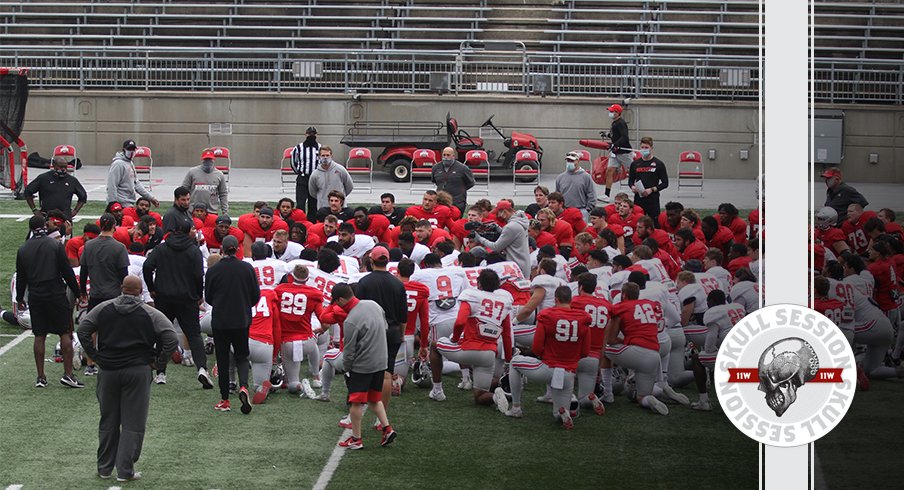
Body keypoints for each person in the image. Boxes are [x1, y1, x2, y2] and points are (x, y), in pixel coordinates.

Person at [77, 276, 179, 482]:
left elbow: (83, 329)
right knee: (133, 422)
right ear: (140, 291)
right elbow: (171, 338)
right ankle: (125, 470)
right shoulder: (150, 313)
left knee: (108, 420)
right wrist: (159, 363)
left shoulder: (104, 308)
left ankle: (104, 468)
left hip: (108, 370)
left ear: (121, 289)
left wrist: (95, 356)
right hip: (137, 370)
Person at [504, 286, 590, 429]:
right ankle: (565, 412)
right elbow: (585, 351)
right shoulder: (583, 318)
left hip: (549, 368)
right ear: (571, 300)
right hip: (568, 373)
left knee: (514, 362)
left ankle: (516, 408)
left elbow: (537, 348)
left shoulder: (547, 314)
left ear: (556, 299)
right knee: (557, 415)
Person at [142, 218, 213, 388]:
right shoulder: (193, 250)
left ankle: (160, 373)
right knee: (194, 334)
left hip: (164, 296)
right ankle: (202, 369)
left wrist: (152, 288)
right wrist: (197, 294)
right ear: (189, 231)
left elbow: (147, 267)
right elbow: (198, 275)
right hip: (186, 298)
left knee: (161, 333)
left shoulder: (162, 248)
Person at [16, 214, 83, 388]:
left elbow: (21, 278)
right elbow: (67, 272)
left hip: (36, 295)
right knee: (65, 333)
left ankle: (41, 377)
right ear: (44, 226)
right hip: (55, 293)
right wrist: (78, 292)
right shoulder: (55, 245)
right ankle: (68, 374)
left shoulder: (23, 249)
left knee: (39, 335)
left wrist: (19, 298)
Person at [332, 283, 397, 449]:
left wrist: (346, 368)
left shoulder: (351, 320)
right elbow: (385, 327)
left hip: (363, 366)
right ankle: (387, 429)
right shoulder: (373, 305)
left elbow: (349, 350)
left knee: (356, 402)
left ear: (340, 299)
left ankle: (356, 439)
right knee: (375, 398)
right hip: (381, 361)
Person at [204, 235, 261, 414]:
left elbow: (208, 297)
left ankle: (225, 399)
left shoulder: (213, 270)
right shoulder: (246, 268)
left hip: (221, 320)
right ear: (237, 249)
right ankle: (244, 385)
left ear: (222, 249)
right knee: (242, 355)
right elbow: (255, 295)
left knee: (222, 358)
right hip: (241, 319)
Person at [353, 246, 408, 410]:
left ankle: (358, 405)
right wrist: (402, 334)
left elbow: (358, 310)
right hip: (391, 331)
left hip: (370, 332)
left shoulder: (364, 282)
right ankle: (381, 415)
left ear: (371, 261)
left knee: (362, 371)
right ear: (388, 261)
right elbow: (403, 315)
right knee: (386, 373)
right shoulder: (397, 284)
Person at [470, 200, 531, 279]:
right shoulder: (520, 222)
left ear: (504, 212)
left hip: (515, 267)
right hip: (522, 263)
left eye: (498, 213)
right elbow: (512, 237)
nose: (498, 216)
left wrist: (479, 238)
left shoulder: (511, 226)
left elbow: (496, 247)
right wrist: (499, 229)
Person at [24, 156, 87, 221]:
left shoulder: (72, 180)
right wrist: (34, 210)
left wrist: (75, 211)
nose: (63, 169)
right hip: (47, 217)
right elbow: (28, 192)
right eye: (60, 166)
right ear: (54, 165)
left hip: (65, 217)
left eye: (65, 167)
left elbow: (83, 196)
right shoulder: (43, 178)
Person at [106, 139, 159, 207]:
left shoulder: (130, 163)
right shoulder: (118, 164)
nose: (131, 151)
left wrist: (151, 198)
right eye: (129, 149)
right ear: (124, 150)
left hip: (129, 202)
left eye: (133, 149)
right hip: (120, 204)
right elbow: (112, 185)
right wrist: (113, 204)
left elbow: (136, 184)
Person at [627, 136, 669, 219]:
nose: (644, 149)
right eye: (642, 147)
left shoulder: (658, 164)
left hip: (652, 199)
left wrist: (652, 189)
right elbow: (630, 181)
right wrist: (632, 187)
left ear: (651, 148)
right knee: (638, 220)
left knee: (654, 222)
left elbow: (665, 183)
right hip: (639, 198)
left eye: (646, 147)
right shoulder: (635, 164)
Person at [601, 103, 633, 202]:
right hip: (615, 153)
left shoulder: (621, 123)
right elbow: (615, 135)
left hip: (624, 153)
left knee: (634, 170)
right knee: (609, 171)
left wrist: (615, 144)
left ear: (618, 113)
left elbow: (624, 137)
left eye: (612, 111)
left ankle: (640, 189)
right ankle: (606, 195)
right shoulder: (614, 123)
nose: (610, 113)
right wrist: (607, 135)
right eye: (610, 111)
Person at [183, 149, 229, 215]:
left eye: (210, 159)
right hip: (194, 211)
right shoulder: (192, 172)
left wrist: (225, 211)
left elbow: (223, 194)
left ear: (213, 160)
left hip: (212, 212)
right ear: (202, 160)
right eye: (206, 159)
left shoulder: (219, 174)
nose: (208, 162)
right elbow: (183, 190)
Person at [308, 146, 353, 211]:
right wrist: (321, 198)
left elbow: (349, 186)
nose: (325, 158)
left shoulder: (340, 170)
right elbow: (312, 191)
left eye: (327, 155)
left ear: (331, 156)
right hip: (323, 207)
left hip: (340, 208)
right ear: (319, 157)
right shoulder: (315, 174)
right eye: (323, 155)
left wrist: (340, 197)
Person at [432, 146, 475, 214]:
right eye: (444, 155)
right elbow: (436, 181)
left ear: (453, 156)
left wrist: (459, 190)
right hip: (440, 203)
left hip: (457, 202)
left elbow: (471, 183)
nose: (446, 157)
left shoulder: (463, 168)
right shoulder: (436, 167)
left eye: (448, 155)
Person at [555, 151, 596, 220]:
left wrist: (588, 209)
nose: (569, 162)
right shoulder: (560, 177)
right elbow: (557, 196)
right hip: (565, 211)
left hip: (581, 210)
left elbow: (591, 194)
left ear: (578, 161)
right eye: (568, 160)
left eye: (572, 161)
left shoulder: (586, 177)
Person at [291, 126, 321, 218]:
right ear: (305, 134)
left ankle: (311, 223)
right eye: (309, 133)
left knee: (313, 204)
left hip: (315, 180)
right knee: (300, 204)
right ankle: (301, 222)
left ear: (316, 135)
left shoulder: (320, 148)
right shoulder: (298, 148)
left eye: (313, 134)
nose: (311, 135)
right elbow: (293, 162)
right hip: (303, 179)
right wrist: (300, 172)